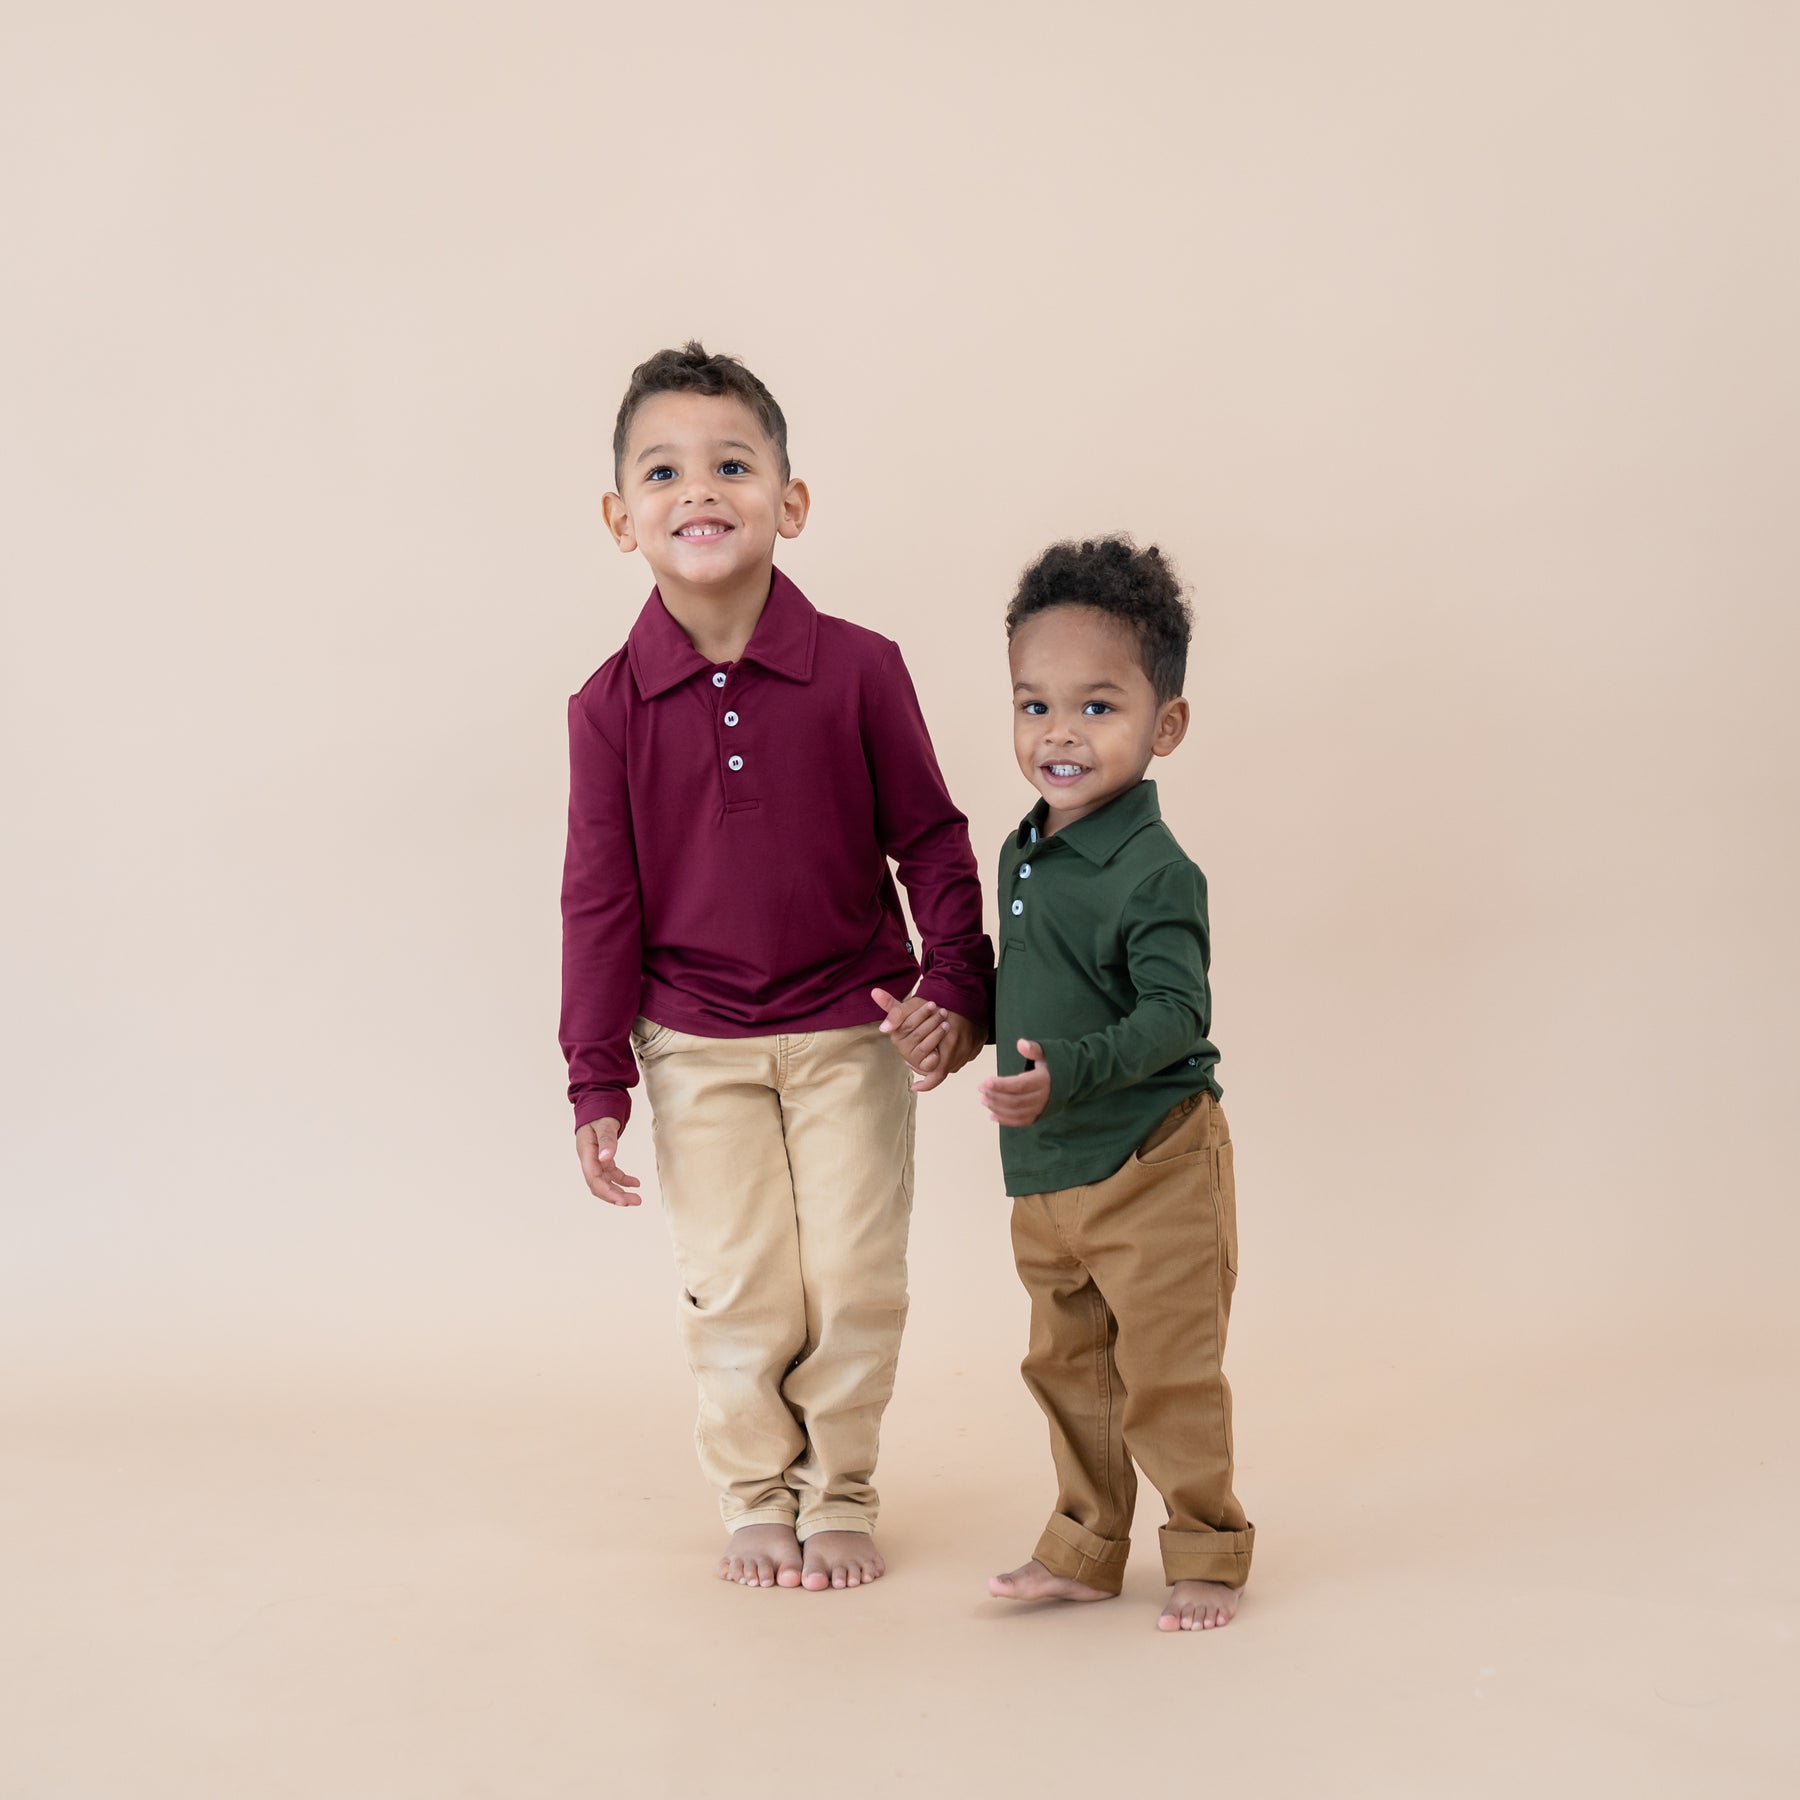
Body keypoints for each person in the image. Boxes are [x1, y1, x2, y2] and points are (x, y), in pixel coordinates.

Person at [559, 342, 991, 1593]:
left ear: (788, 504)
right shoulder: (607, 708)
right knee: (741, 1284)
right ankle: (758, 1493)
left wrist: (955, 984)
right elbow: (600, 899)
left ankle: (840, 1490)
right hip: (694, 1039)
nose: (700, 490)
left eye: (733, 464)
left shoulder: (860, 667)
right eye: (664, 470)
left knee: (854, 1278)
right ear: (620, 517)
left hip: (853, 1026)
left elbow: (931, 836)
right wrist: (597, 1079)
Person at [978, 536, 1254, 1631]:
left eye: (1097, 707)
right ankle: (1086, 1548)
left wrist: (1069, 1073)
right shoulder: (1027, 849)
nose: (1059, 734)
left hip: (1151, 1162)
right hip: (1046, 1172)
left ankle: (1207, 1551)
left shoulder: (1154, 869)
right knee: (1070, 1369)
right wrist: (954, 1028)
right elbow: (1029, 982)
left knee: (1168, 1376)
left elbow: (1179, 1015)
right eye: (1034, 705)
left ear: (1164, 726)